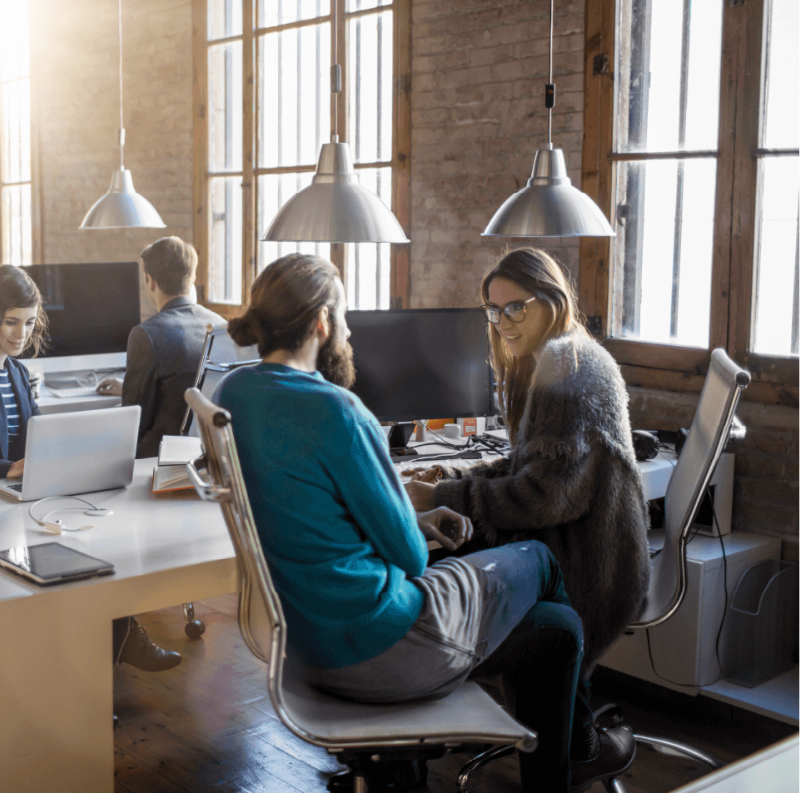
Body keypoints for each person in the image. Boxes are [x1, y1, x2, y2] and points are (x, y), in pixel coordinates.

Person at [213, 254, 633, 792]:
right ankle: (572, 755)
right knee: (546, 577)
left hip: (297, 647)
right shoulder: (339, 410)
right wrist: (417, 515)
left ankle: (402, 768)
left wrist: (424, 505)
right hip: (376, 648)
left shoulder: (232, 395)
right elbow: (410, 555)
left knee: (554, 624)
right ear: (322, 323)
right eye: (343, 317)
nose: (348, 330)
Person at [0, 265, 180, 672]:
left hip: (11, 504)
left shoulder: (19, 373)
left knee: (93, 550)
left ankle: (106, 655)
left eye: (27, 323)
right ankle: (103, 659)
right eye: (10, 322)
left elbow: (42, 442)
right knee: (72, 560)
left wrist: (70, 456)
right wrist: (7, 468)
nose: (20, 334)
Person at [403, 247, 650, 671]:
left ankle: (432, 701)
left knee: (420, 573)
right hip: (587, 554)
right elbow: (529, 466)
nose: (502, 323)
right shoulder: (564, 354)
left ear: (553, 301)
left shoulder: (566, 366)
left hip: (591, 572)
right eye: (494, 311)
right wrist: (450, 474)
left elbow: (546, 497)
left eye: (516, 307)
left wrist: (438, 495)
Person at [97, 237, 226, 457]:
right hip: (211, 456)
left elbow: (133, 419)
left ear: (150, 281)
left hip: (159, 459)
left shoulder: (146, 334)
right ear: (191, 277)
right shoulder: (221, 326)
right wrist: (130, 385)